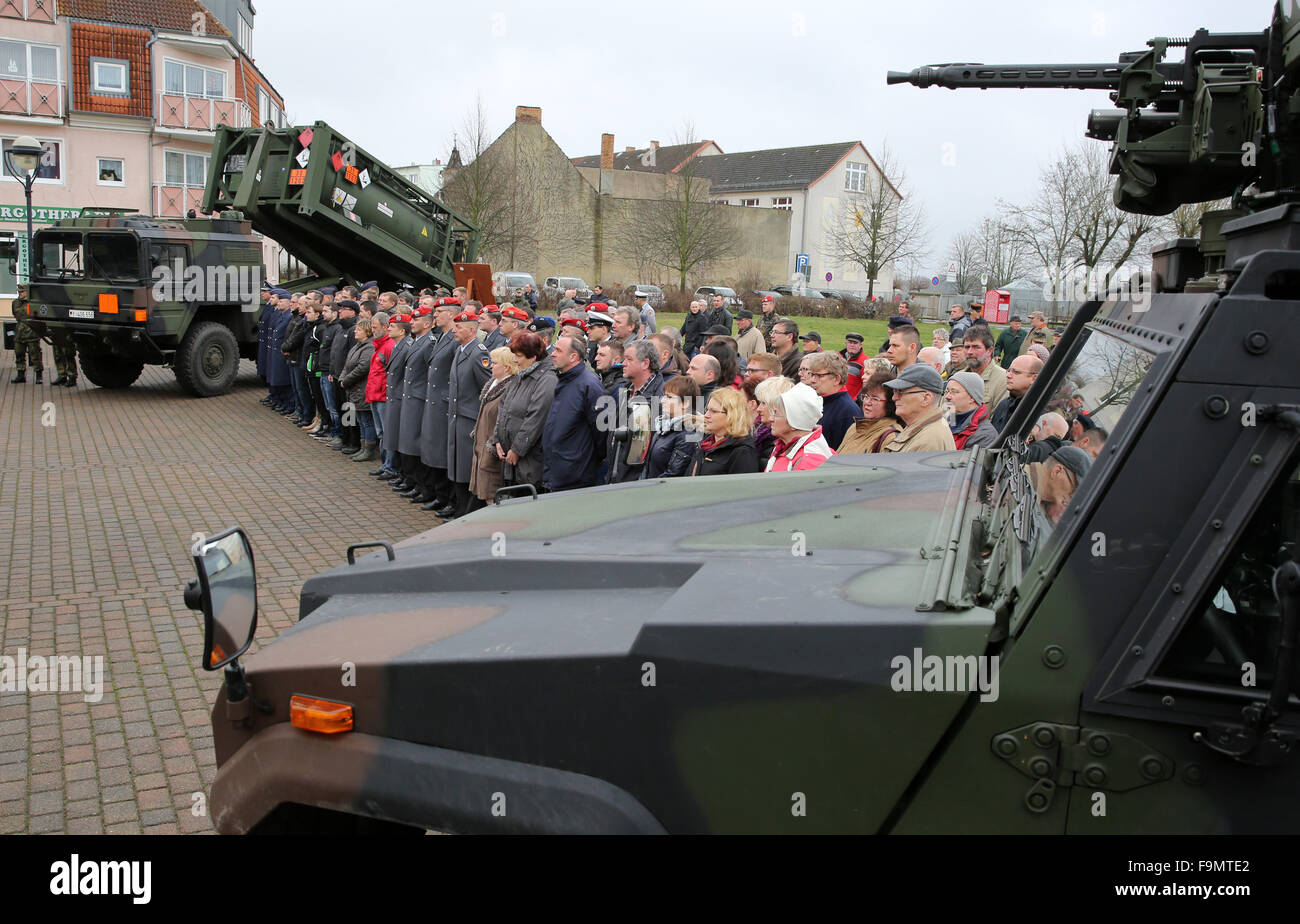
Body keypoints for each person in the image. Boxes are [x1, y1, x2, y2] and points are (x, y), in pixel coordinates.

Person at [443, 309, 494, 517]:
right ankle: (458, 506)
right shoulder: (461, 349)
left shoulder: (478, 353)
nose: (454, 330)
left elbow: (487, 389)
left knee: (465, 467)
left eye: (459, 327)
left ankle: (466, 511)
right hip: (457, 415)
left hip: (469, 418)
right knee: (455, 464)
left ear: (472, 330)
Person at [493, 332, 556, 491]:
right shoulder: (521, 375)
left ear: (533, 357)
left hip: (530, 461)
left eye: (519, 356)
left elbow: (535, 419)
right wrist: (497, 440)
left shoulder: (546, 380)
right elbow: (503, 407)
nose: (515, 360)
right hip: (510, 458)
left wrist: (517, 450)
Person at [542, 334, 605, 492]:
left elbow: (602, 431)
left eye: (558, 350)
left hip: (575, 475)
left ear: (573, 357)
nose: (552, 354)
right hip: (558, 471)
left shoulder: (589, 385)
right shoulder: (564, 379)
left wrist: (586, 460)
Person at [419, 298, 462, 511]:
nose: (434, 316)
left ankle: (448, 498)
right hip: (435, 401)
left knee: (443, 452)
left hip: (444, 403)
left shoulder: (455, 339)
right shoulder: (442, 336)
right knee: (433, 448)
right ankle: (438, 493)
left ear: (452, 314)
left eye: (440, 312)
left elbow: (457, 374)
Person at [469, 346, 519, 507]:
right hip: (482, 449)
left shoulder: (509, 389)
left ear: (506, 367)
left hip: (492, 453)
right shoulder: (493, 384)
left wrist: (492, 444)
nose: (490, 365)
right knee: (483, 495)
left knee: (492, 496)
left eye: (495, 362)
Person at [881, 365, 957, 453]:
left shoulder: (928, 439)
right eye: (894, 392)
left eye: (901, 392)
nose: (894, 397)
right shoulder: (922, 428)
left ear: (926, 398)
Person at [763, 381, 834, 472]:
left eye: (776, 414)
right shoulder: (784, 448)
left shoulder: (809, 461)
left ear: (794, 422)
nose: (770, 419)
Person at [644, 375, 703, 479]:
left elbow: (673, 475)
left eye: (669, 397)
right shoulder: (664, 426)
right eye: (664, 395)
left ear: (685, 403)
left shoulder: (688, 435)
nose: (662, 400)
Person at [692, 387, 760, 476]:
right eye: (707, 410)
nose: (706, 415)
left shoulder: (742, 451)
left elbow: (742, 488)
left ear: (732, 415)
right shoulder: (705, 444)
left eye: (713, 411)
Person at [377, 313, 412, 483]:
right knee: (392, 435)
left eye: (392, 326)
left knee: (399, 437)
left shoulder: (406, 347)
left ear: (403, 331)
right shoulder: (398, 346)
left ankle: (398, 471)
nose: (388, 328)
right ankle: (397, 471)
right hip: (394, 397)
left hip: (400, 397)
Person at [337, 316, 377, 461]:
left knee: (367, 421)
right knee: (360, 420)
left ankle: (369, 449)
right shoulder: (357, 346)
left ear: (367, 332)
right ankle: (361, 447)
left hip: (362, 389)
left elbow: (362, 368)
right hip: (353, 389)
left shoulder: (369, 347)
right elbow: (347, 365)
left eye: (359, 330)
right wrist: (342, 378)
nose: (355, 332)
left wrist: (346, 381)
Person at [837, 370, 903, 454]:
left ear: (890, 404)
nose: (867, 402)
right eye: (866, 396)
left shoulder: (891, 437)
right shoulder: (854, 428)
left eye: (875, 399)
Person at [1026, 445, 1092, 526]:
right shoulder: (1022, 488)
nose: (1073, 496)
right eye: (1075, 489)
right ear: (1057, 471)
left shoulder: (1035, 499)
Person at [805, 351, 859, 449]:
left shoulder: (848, 411)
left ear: (836, 379)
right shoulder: (818, 400)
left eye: (819, 376)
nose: (812, 380)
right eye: (812, 374)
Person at [363, 312, 393, 469]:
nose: (373, 331)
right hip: (375, 395)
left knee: (385, 433)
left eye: (375, 327)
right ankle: (385, 465)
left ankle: (389, 466)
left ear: (385, 327)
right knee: (381, 432)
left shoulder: (388, 346)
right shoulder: (379, 346)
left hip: (382, 397)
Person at [945, 371, 997, 450]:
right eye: (947, 391)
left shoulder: (985, 435)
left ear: (972, 397)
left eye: (954, 392)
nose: (947, 396)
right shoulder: (945, 422)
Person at [991, 355, 1043, 431]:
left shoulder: (1038, 410)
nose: (1008, 375)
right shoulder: (1003, 404)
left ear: (1034, 378)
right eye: (1008, 371)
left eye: (1016, 372)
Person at [963, 327, 1008, 414]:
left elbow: (998, 420)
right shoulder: (957, 378)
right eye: (967, 347)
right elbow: (946, 410)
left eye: (976, 347)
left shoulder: (1003, 380)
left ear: (990, 351)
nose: (969, 352)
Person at [11, 309, 43, 383]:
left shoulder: (31, 302)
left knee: (35, 355)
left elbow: (34, 315)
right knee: (19, 354)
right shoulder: (16, 303)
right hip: (19, 334)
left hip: (32, 334)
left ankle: (39, 375)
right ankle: (20, 375)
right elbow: (17, 315)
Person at [840, 332, 866, 401]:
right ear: (846, 343)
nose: (852, 345)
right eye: (850, 342)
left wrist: (857, 399)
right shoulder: (838, 357)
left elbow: (866, 384)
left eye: (855, 343)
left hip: (852, 401)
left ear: (860, 345)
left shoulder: (865, 361)